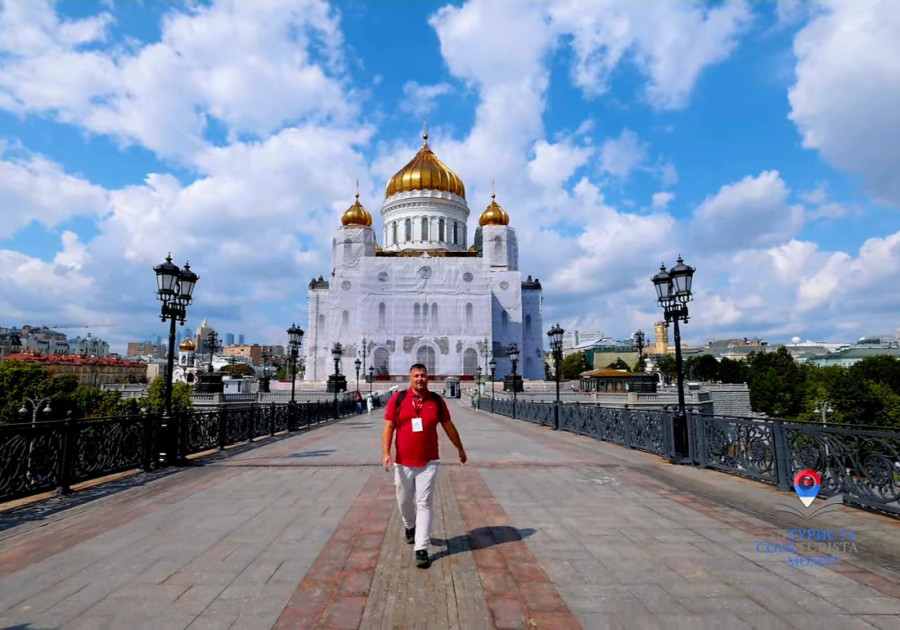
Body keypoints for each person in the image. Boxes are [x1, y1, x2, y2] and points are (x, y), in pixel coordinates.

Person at [382, 364, 467, 569]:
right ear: (410, 378)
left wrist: (460, 449)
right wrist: (386, 452)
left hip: (429, 462)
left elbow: (448, 426)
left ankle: (421, 548)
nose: (420, 378)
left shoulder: (436, 401)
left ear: (428, 378)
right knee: (404, 501)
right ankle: (410, 526)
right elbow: (389, 426)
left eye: (423, 375)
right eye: (416, 376)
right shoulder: (399, 399)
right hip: (403, 462)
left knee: (424, 502)